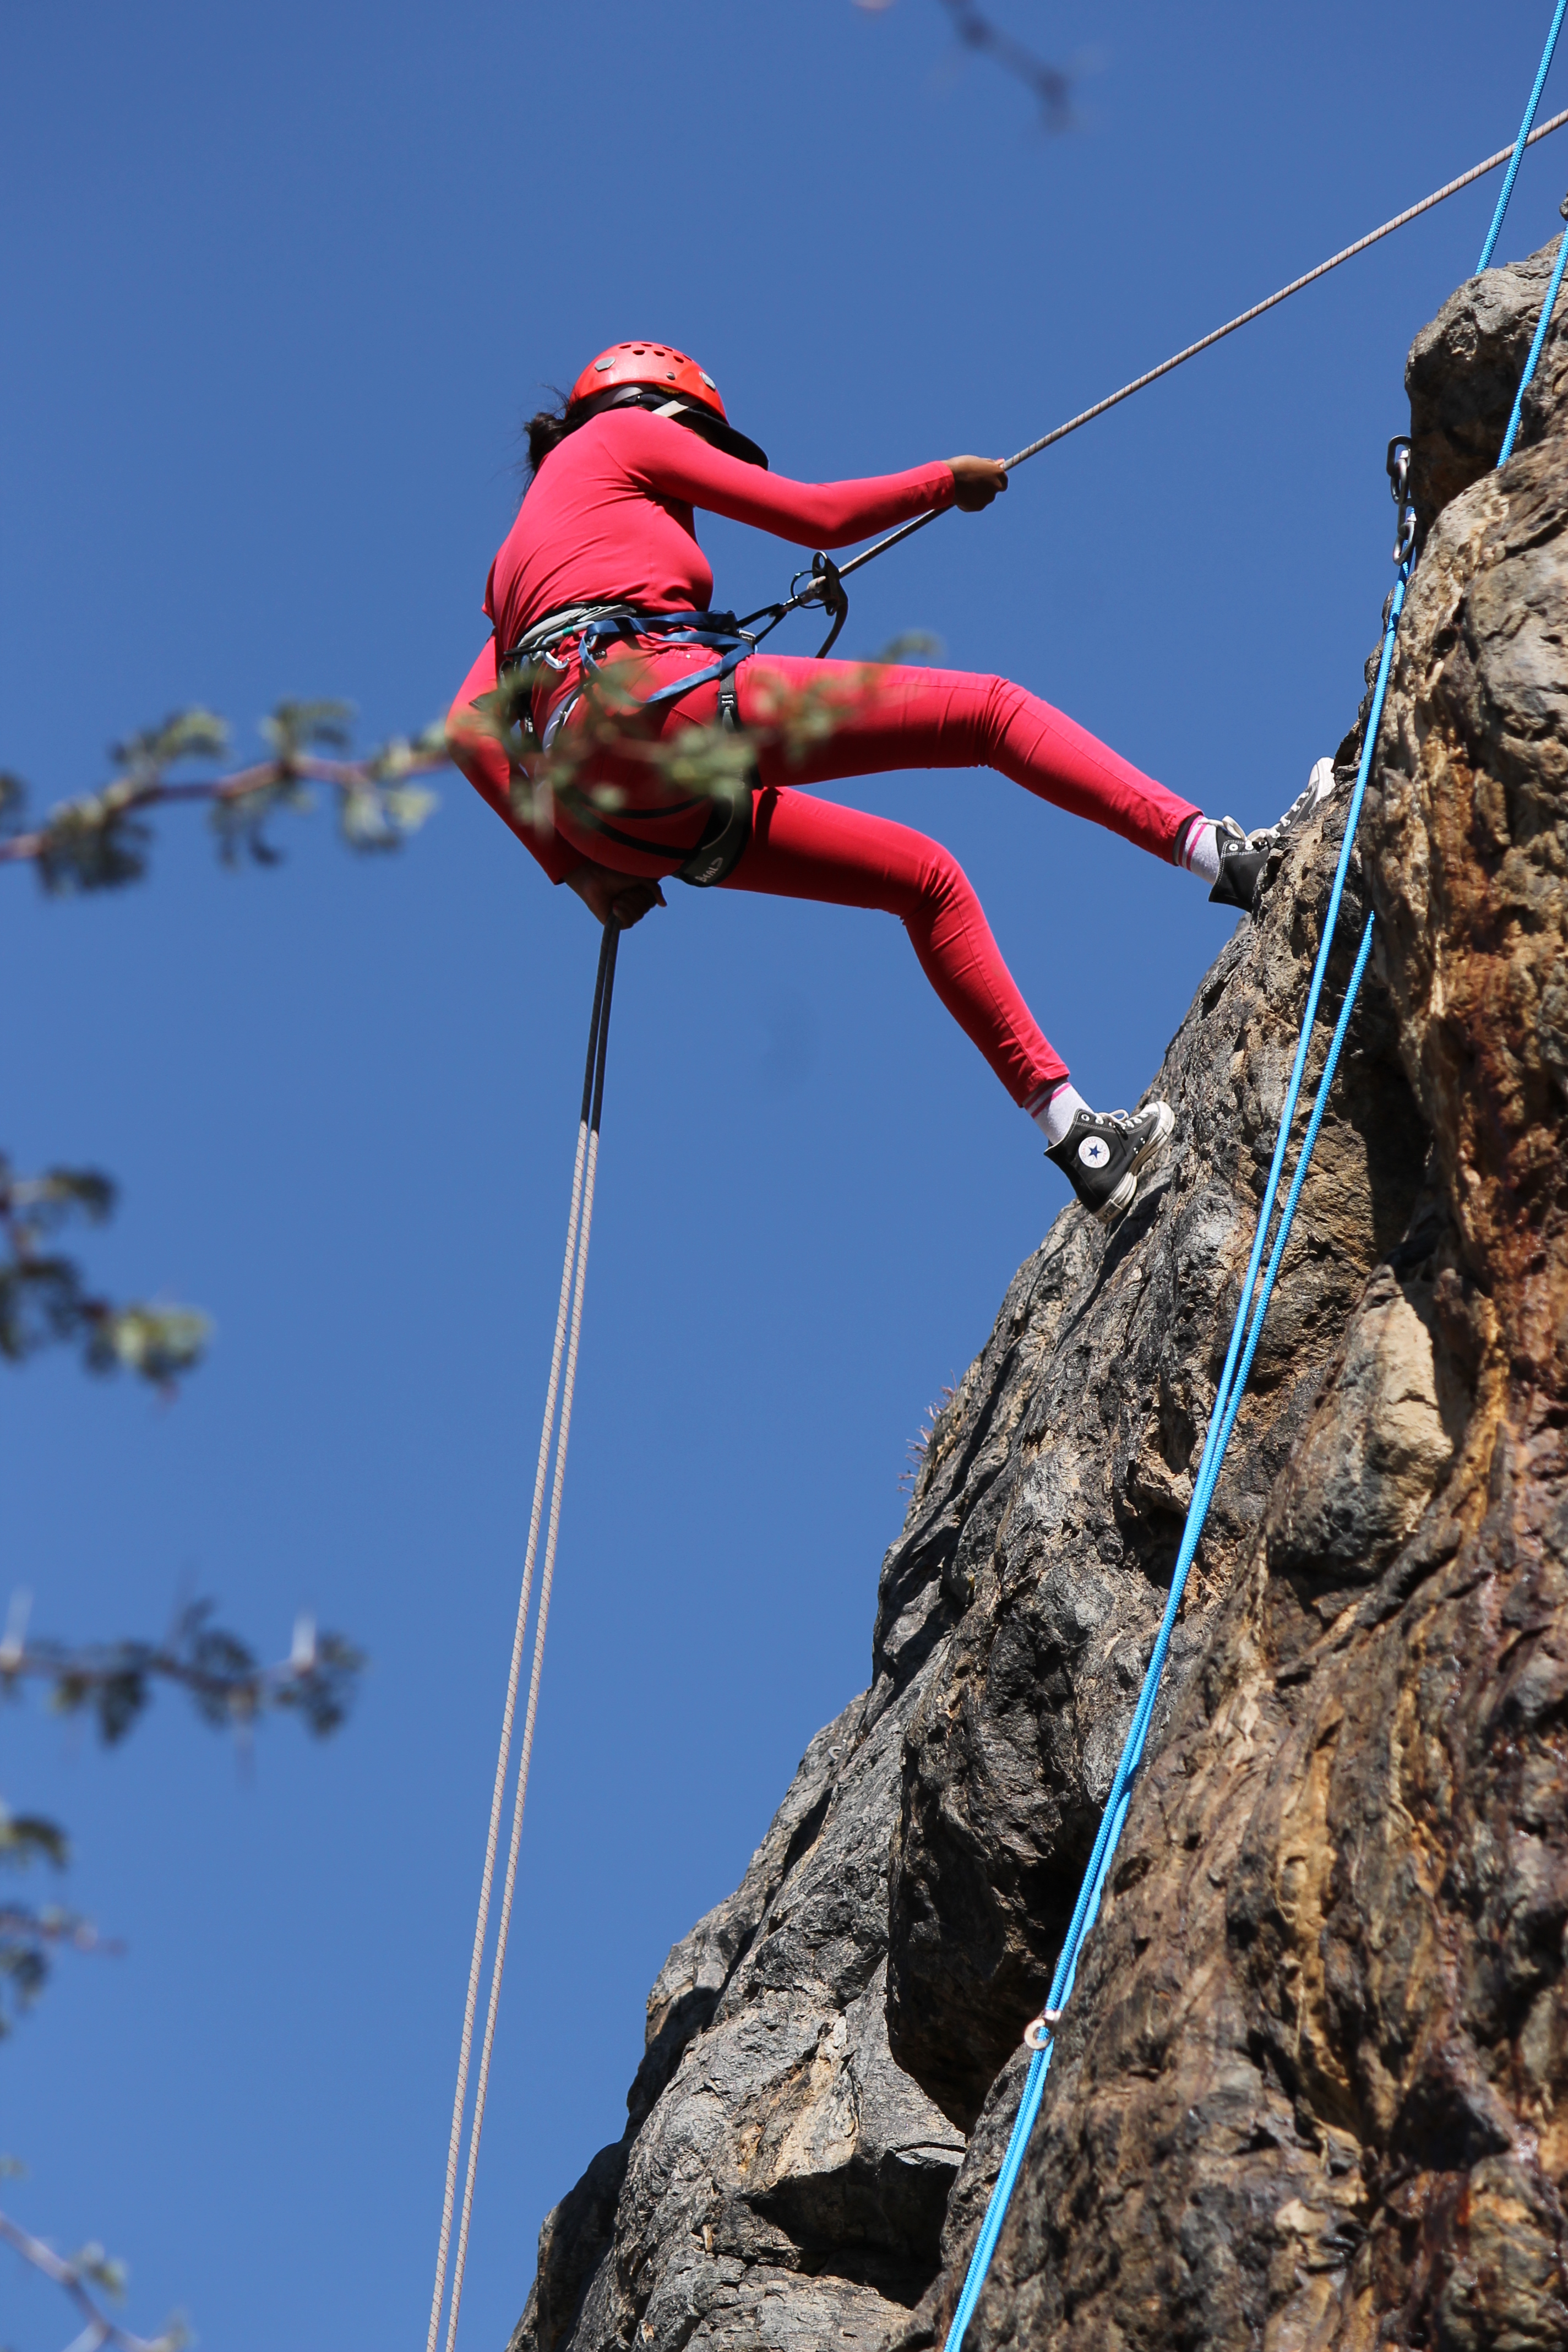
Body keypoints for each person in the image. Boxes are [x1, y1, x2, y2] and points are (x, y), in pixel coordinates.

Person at [449, 341, 1283, 1227]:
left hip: (611, 816)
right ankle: (1221, 855)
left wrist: (581, 869)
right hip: (659, 704)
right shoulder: (622, 437)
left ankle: (1079, 1138)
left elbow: (470, 729)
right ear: (664, 413)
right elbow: (818, 516)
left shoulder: (512, 565)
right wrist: (945, 482)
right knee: (990, 713)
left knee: (924, 879)